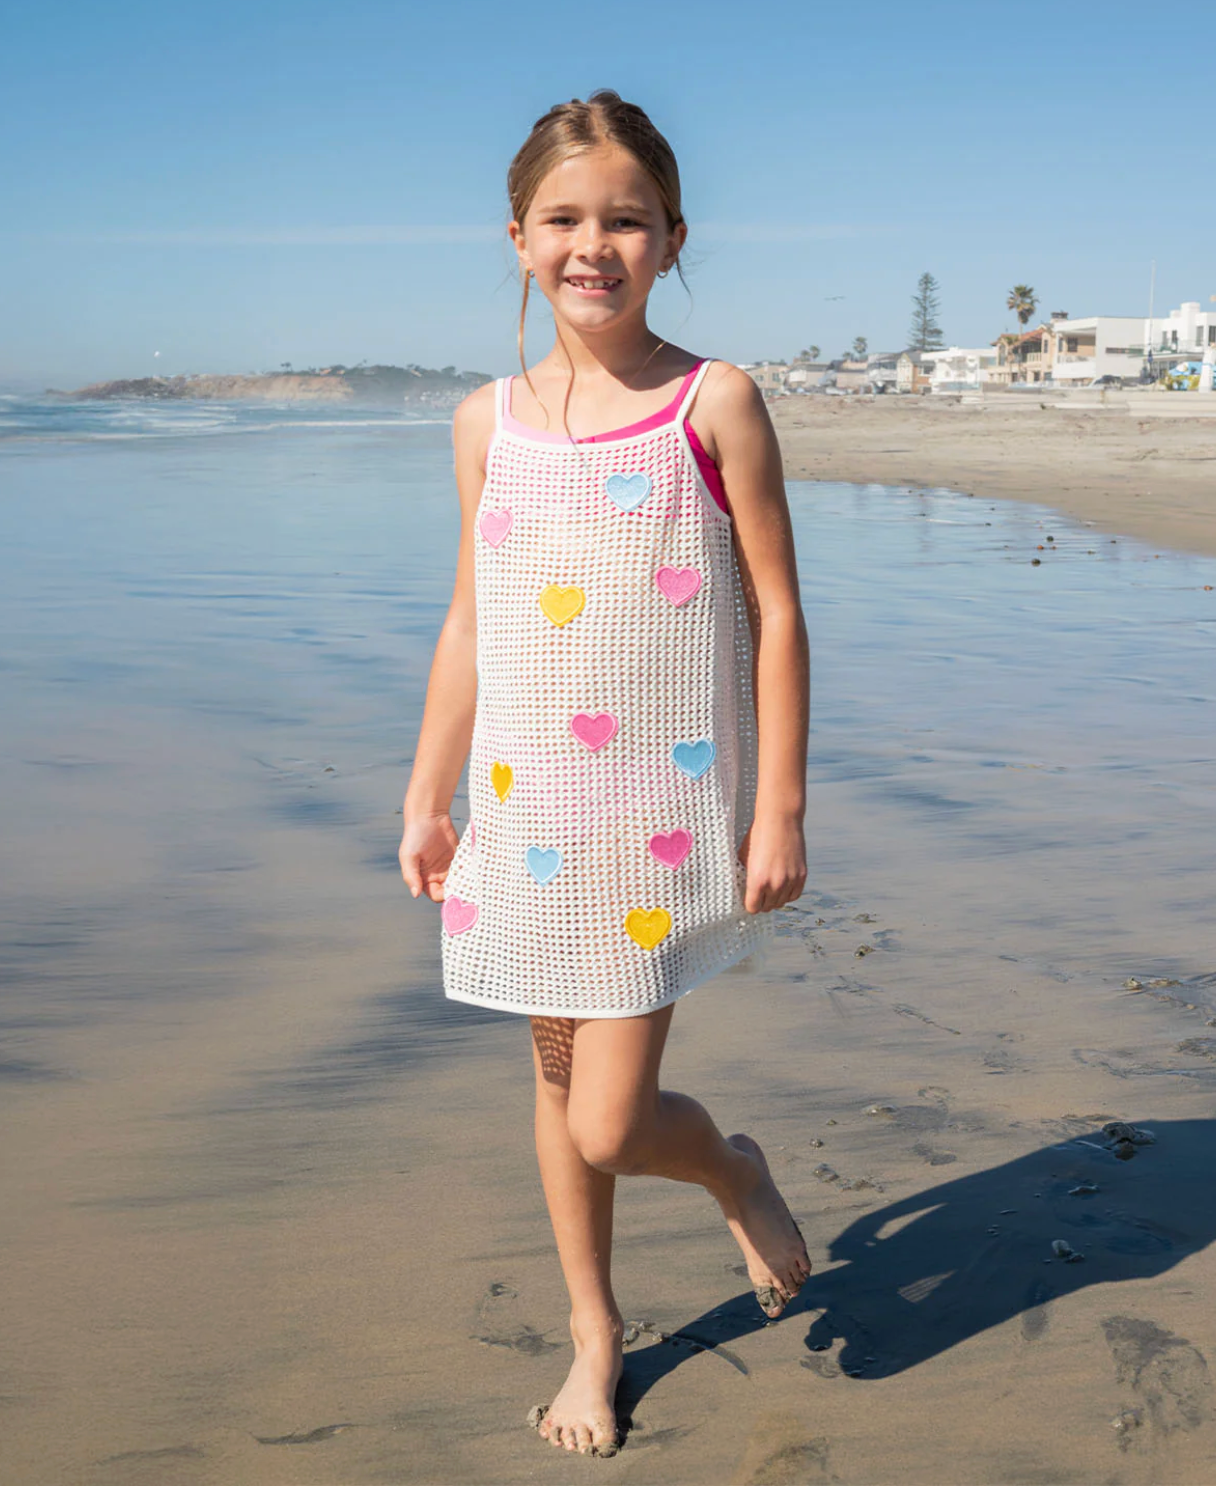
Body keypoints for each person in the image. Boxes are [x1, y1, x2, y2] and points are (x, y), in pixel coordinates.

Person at [398, 90, 812, 1458]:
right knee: (558, 1093)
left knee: (614, 1120)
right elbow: (473, 621)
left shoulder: (715, 400)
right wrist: (428, 796)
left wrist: (778, 806)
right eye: (564, 219)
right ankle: (595, 1332)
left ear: (672, 238)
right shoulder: (486, 422)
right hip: (526, 817)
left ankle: (730, 1168)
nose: (594, 245)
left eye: (626, 220)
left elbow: (777, 613)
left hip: (660, 817)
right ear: (518, 239)